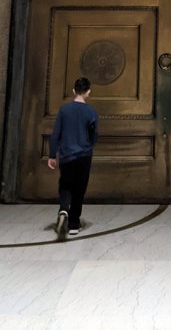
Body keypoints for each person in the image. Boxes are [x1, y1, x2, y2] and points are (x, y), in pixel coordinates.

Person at [48, 77, 98, 239]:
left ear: (73, 91)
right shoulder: (91, 112)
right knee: (79, 189)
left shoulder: (64, 110)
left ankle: (63, 210)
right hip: (83, 155)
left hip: (67, 155)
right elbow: (94, 135)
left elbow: (56, 134)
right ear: (88, 92)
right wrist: (89, 145)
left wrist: (52, 155)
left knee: (65, 185)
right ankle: (74, 224)